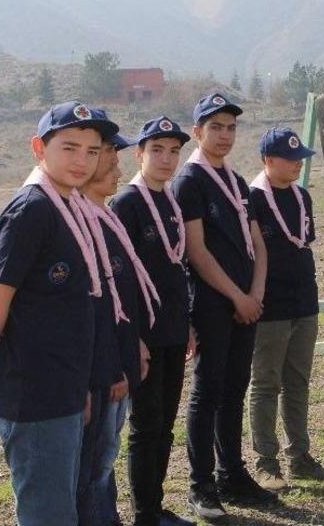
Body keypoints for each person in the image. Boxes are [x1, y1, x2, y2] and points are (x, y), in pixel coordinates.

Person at [0, 101, 119, 525]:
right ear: (39, 148)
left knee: (60, 505)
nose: (81, 161)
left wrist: (78, 385)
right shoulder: (32, 210)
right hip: (35, 392)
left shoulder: (68, 204)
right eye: (69, 147)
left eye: (92, 151)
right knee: (49, 514)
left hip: (62, 385)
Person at [172, 93, 275, 524]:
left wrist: (256, 293)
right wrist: (237, 297)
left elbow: (257, 244)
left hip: (247, 302)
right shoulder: (189, 181)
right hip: (214, 303)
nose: (225, 135)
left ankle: (232, 474)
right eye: (215, 127)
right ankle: (201, 486)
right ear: (197, 131)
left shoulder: (236, 181)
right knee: (207, 391)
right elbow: (196, 251)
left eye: (231, 127)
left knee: (235, 388)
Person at [111, 116, 197, 526]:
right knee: (146, 425)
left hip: (173, 329)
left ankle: (156, 506)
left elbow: (175, 268)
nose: (167, 159)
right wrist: (134, 337)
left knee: (164, 424)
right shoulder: (127, 203)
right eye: (157, 150)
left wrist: (187, 323)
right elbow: (121, 277)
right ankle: (144, 514)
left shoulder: (170, 201)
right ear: (139, 154)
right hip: (145, 334)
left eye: (174, 151)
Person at [248, 127, 324, 490]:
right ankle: (266, 463)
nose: (297, 164)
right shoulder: (252, 198)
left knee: (298, 382)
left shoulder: (302, 196)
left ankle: (299, 456)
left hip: (304, 302)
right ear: (268, 160)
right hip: (270, 307)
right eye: (289, 159)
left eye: (300, 158)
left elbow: (303, 241)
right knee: (266, 384)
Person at [78, 126, 157, 526]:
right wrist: (111, 368)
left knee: (105, 455)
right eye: (108, 154)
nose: (116, 166)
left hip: (119, 358)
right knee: (95, 461)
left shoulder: (104, 216)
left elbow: (121, 296)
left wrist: (135, 343)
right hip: (103, 368)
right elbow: (95, 307)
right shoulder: (80, 222)